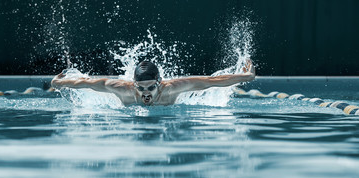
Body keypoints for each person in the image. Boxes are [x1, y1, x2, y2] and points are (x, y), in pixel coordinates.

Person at [51, 60, 255, 106]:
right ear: (134, 84)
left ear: (160, 82)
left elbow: (212, 82)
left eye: (151, 87)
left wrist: (245, 77)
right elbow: (86, 82)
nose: (146, 92)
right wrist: (60, 82)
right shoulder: (122, 89)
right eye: (141, 88)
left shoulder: (173, 88)